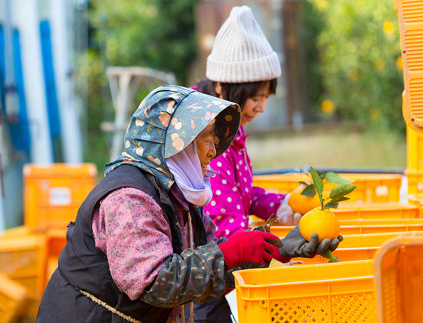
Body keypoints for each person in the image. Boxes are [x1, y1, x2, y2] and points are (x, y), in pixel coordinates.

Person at [36, 85, 339, 323]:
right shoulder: (130, 199)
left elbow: (203, 267)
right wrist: (233, 251)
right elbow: (155, 282)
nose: (212, 151)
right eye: (204, 139)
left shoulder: (177, 197)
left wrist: (275, 247)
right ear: (170, 144)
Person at [190, 6, 344, 322]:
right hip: (208, 280)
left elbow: (241, 194)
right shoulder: (209, 144)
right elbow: (226, 226)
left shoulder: (231, 130)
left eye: (267, 96)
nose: (262, 106)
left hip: (224, 273)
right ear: (225, 87)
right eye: (255, 97)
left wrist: (284, 203)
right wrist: (280, 245)